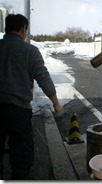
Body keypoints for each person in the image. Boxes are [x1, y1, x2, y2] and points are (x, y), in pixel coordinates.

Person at [0, 14, 63, 179]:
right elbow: (43, 78)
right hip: (18, 112)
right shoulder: (30, 51)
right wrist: (56, 104)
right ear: (23, 29)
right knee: (21, 155)